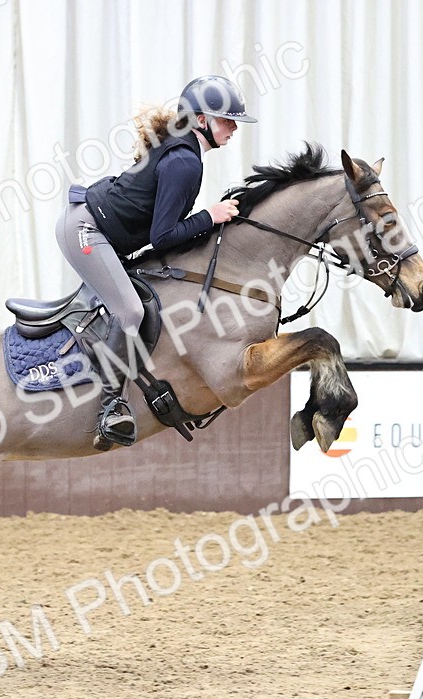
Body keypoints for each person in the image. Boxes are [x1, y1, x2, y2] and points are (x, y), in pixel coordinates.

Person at [55, 75, 257, 450]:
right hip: (85, 230)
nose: (233, 128)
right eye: (226, 120)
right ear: (201, 120)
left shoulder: (185, 153)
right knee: (129, 311)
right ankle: (111, 406)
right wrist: (211, 216)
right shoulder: (184, 162)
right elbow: (163, 237)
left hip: (96, 226)